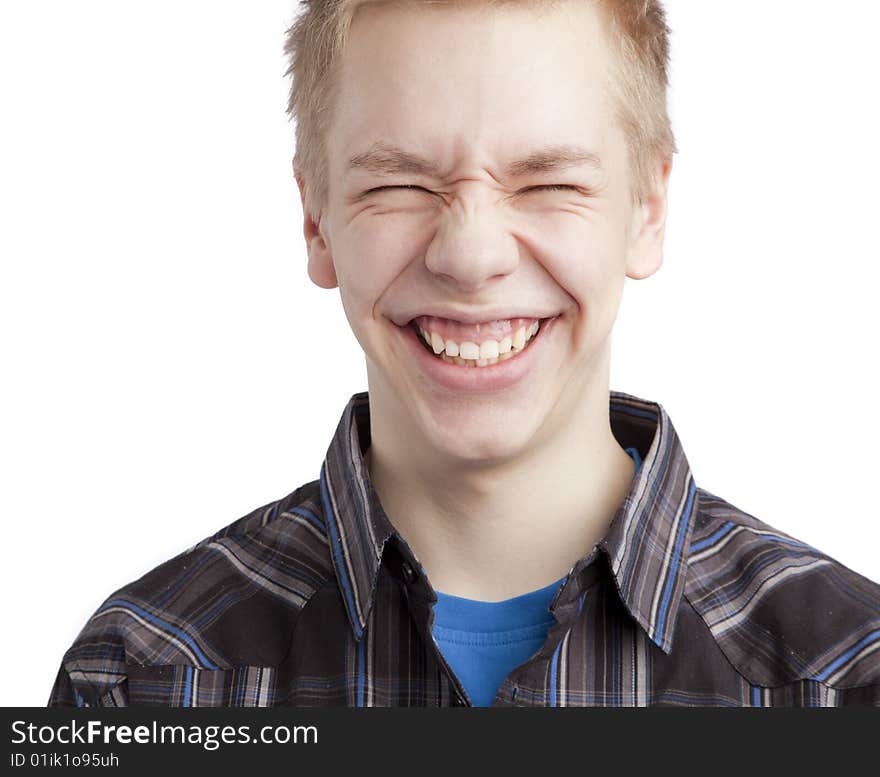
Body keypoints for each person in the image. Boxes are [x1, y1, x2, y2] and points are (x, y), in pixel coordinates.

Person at [48, 0, 880, 708]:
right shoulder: (138, 677)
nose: (471, 254)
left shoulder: (851, 680)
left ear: (648, 209)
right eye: (400, 184)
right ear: (315, 219)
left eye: (550, 182)